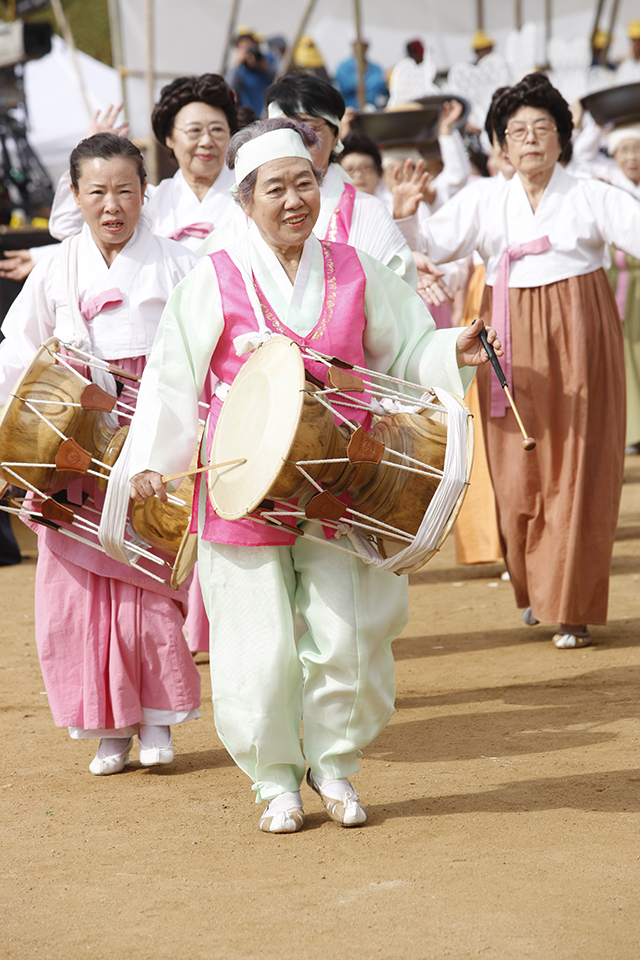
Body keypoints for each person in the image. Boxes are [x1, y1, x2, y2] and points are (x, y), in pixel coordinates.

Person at [127, 118, 501, 833]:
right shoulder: (215, 278)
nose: (295, 199)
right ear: (245, 201)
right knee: (256, 646)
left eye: (305, 183)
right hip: (243, 487)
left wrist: (454, 344)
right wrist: (153, 461)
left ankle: (334, 763)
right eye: (277, 188)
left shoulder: (357, 269)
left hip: (342, 484)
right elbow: (172, 381)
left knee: (347, 633)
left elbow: (409, 347)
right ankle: (275, 779)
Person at [414, 72, 640, 649]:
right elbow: (427, 243)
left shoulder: (591, 193)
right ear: (502, 144)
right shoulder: (487, 200)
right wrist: (403, 224)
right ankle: (536, 587)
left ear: (563, 138)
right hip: (507, 342)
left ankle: (572, 606)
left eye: (543, 128)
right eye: (518, 131)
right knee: (516, 476)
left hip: (581, 339)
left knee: (579, 469)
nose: (531, 140)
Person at [0, 133, 201, 772]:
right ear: (76, 196)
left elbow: (207, 352)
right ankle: (107, 726)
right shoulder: (55, 267)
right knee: (78, 588)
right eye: (97, 191)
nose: (112, 205)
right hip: (74, 446)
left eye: (125, 190)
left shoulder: (180, 263)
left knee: (149, 577)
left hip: (154, 435)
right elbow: (16, 355)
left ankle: (160, 721)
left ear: (146, 192)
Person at [199, 71, 417, 286]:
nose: (294, 138)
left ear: (335, 135)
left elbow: (396, 298)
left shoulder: (367, 211)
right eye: (281, 128)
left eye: (307, 127)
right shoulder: (245, 210)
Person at [49, 76, 240, 251]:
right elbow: (65, 227)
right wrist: (92, 155)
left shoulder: (248, 196)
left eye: (217, 130)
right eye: (194, 131)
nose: (206, 142)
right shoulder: (146, 200)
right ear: (169, 138)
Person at [225, 29, 276, 117]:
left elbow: (280, 76)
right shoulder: (239, 69)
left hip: (271, 112)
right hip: (250, 115)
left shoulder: (267, 59)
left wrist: (264, 67)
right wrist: (235, 65)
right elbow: (229, 88)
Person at [335, 39, 388, 109]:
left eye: (363, 45)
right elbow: (348, 86)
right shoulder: (343, 68)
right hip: (350, 111)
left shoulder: (377, 68)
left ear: (367, 46)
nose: (360, 48)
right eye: (357, 45)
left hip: (372, 110)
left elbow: (383, 89)